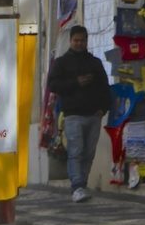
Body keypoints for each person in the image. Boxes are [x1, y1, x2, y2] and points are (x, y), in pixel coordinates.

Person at [46, 24, 112, 203]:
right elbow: (53, 85)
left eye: (82, 40)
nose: (79, 44)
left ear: (86, 41)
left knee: (88, 152)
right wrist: (76, 82)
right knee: (76, 150)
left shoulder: (95, 63)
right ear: (70, 41)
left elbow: (105, 88)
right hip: (73, 114)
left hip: (93, 115)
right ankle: (77, 185)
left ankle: (82, 183)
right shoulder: (61, 63)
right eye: (76, 40)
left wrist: (103, 109)